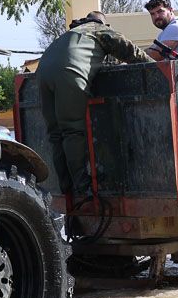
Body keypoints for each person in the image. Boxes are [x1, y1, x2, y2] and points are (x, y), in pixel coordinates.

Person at [36, 11, 142, 200]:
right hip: (69, 73)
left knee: (56, 135)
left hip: (43, 74)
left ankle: (66, 187)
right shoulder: (97, 28)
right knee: (72, 131)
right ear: (102, 23)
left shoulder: (68, 35)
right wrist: (156, 67)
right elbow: (128, 50)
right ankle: (82, 189)